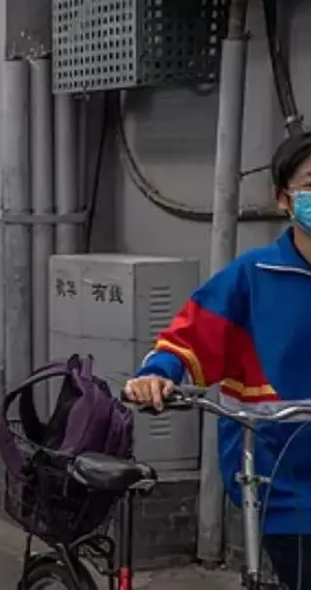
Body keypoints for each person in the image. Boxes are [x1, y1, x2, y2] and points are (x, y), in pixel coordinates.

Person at [124, 131, 311, 590]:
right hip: (284, 483)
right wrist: (156, 376)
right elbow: (186, 342)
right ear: (284, 199)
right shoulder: (254, 276)